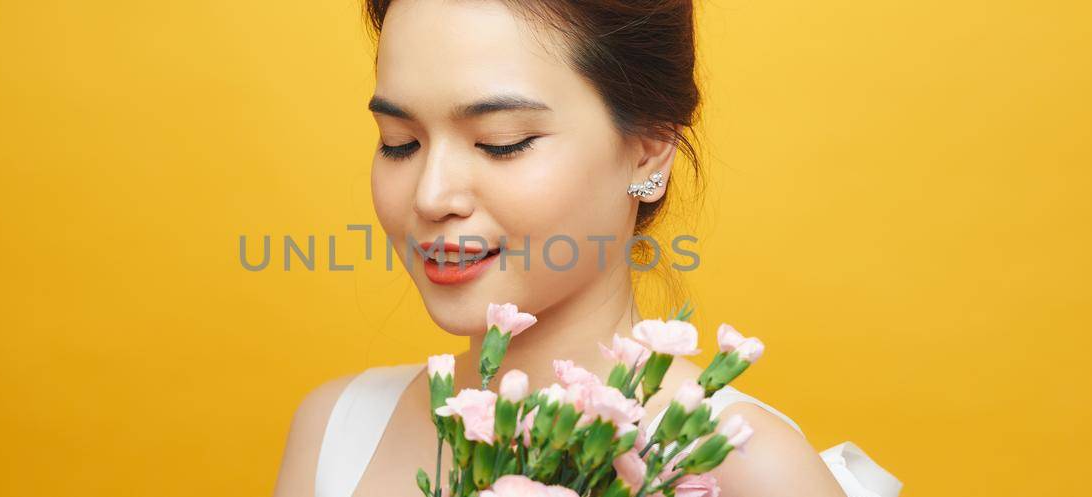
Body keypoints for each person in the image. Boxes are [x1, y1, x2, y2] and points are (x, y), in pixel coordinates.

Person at [276, 1, 900, 496]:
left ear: (650, 148)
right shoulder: (335, 431)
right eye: (398, 142)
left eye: (501, 141)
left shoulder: (742, 467)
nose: (431, 195)